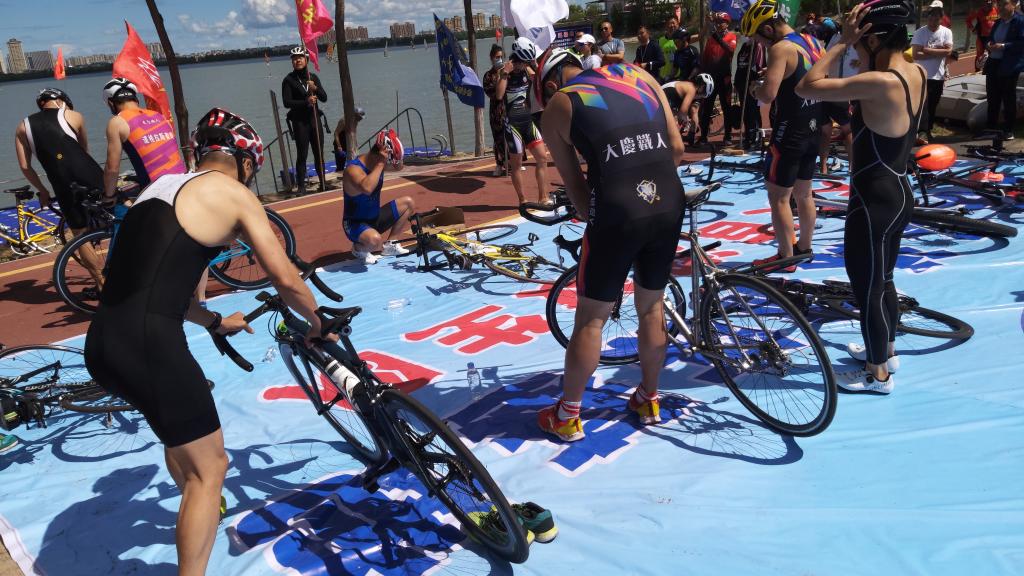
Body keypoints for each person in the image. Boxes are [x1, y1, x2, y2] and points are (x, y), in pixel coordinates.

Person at [85, 107, 333, 575]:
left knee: (179, 432)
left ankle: (196, 509)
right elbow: (284, 277)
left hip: (102, 343)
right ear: (246, 162)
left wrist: (214, 321)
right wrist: (318, 320)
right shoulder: (234, 193)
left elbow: (158, 287)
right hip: (149, 346)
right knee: (211, 469)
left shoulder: (158, 188)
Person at [534, 49, 686, 440]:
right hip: (669, 198)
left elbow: (576, 188)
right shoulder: (640, 74)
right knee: (652, 305)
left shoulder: (560, 103)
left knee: (591, 318)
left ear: (549, 84)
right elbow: (677, 149)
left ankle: (568, 416)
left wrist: (600, 218)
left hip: (618, 208)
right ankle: (649, 398)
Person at [796, 0, 925, 394]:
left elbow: (807, 86)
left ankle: (876, 373)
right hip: (898, 191)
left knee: (867, 287)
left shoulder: (880, 82)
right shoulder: (915, 72)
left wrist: (838, 43)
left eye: (859, 41)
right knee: (883, 279)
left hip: (872, 201)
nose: (854, 49)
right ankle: (886, 351)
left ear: (873, 39)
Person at [743, 0, 824, 268]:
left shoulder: (780, 48)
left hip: (789, 129)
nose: (761, 45)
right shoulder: (812, 41)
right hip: (813, 123)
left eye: (759, 40)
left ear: (768, 29)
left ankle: (786, 257)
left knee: (779, 197)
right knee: (804, 193)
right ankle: (805, 247)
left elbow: (768, 94)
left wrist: (755, 88)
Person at [14, 88, 105, 292]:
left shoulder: (22, 127)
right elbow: (84, 151)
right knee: (117, 214)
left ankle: (101, 284)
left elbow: (25, 166)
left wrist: (43, 190)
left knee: (80, 233)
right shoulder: (74, 116)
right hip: (90, 174)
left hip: (62, 182)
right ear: (62, 101)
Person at [102, 77, 186, 203]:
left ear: (110, 103)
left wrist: (108, 197)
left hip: (158, 192)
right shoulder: (159, 116)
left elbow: (112, 169)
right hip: (184, 182)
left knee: (117, 207)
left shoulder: (117, 122)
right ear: (135, 98)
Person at [342, 129, 413, 265]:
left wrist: (396, 151)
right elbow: (367, 188)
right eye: (386, 162)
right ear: (379, 157)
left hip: (374, 218)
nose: (387, 165)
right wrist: (381, 163)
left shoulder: (378, 162)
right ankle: (358, 249)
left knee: (408, 203)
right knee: (375, 240)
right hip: (354, 224)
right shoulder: (353, 169)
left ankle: (391, 245)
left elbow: (398, 167)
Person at [496, 38, 550, 205]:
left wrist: (535, 65)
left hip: (528, 121)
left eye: (525, 63)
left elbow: (540, 82)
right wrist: (505, 73)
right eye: (522, 62)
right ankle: (522, 200)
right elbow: (499, 95)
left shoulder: (527, 69)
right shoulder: (505, 70)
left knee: (542, 158)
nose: (522, 66)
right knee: (517, 164)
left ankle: (543, 197)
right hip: (512, 125)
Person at [282, 46, 328, 194]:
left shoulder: (312, 77)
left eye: (300, 58)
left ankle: (323, 183)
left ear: (306, 59)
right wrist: (306, 102)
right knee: (302, 155)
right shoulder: (288, 80)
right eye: (294, 59)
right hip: (300, 122)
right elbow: (286, 102)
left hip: (314, 120)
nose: (297, 61)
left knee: (319, 153)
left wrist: (316, 88)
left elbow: (324, 98)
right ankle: (301, 187)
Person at [819, 17, 858, 171]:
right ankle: (851, 166)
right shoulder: (840, 38)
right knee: (847, 129)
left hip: (840, 87)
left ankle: (826, 166)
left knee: (828, 130)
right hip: (840, 89)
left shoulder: (840, 38)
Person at [912, 6, 954, 144]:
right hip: (921, 75)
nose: (933, 21)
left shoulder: (946, 32)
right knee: (921, 104)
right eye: (931, 18)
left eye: (936, 19)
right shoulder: (920, 33)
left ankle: (928, 130)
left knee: (933, 104)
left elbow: (948, 52)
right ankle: (920, 131)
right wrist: (938, 52)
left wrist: (927, 50)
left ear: (941, 19)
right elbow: (916, 54)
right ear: (927, 18)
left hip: (938, 75)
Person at [984, 0, 1023, 141]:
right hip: (993, 63)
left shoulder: (1020, 21)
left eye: (1004, 4)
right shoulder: (998, 22)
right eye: (999, 5)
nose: (1000, 7)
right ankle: (991, 127)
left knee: (1008, 97)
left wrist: (1004, 46)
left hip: (1009, 65)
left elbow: (1021, 43)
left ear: (1013, 4)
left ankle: (1008, 130)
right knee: (992, 96)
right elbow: (990, 38)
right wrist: (988, 44)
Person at [698, 12, 737, 146]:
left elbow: (730, 50)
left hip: (724, 79)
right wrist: (702, 74)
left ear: (727, 23)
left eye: (721, 22)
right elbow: (705, 58)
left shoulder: (731, 36)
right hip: (711, 79)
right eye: (717, 22)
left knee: (726, 108)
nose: (719, 24)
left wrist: (716, 36)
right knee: (706, 108)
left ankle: (728, 136)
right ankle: (703, 137)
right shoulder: (711, 39)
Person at [734, 37, 767, 149]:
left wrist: (754, 81)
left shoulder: (758, 45)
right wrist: (736, 82)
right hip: (741, 84)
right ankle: (748, 137)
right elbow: (739, 65)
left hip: (752, 84)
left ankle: (756, 138)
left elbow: (759, 66)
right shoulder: (744, 46)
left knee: (753, 111)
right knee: (745, 112)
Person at [663, 73, 715, 144]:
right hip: (664, 96)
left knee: (691, 112)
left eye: (703, 95)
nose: (700, 96)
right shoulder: (692, 89)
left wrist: (687, 122)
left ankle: (689, 137)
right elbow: (682, 112)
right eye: (703, 93)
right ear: (702, 86)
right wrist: (685, 121)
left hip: (669, 96)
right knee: (672, 124)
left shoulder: (691, 86)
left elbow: (686, 112)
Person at [483, 46, 509, 177]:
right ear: (492, 58)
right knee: (498, 138)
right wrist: (499, 77)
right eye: (497, 57)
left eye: (501, 57)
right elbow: (493, 94)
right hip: (496, 111)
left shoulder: (508, 72)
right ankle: (499, 164)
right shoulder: (488, 76)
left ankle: (514, 162)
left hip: (509, 108)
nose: (499, 59)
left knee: (512, 137)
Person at [967, 0, 1000, 71]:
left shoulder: (997, 10)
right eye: (987, 4)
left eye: (991, 4)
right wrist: (973, 29)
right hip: (982, 37)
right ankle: (977, 70)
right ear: (984, 3)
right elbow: (968, 20)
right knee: (979, 55)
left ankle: (993, 69)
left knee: (994, 54)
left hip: (993, 37)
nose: (989, 5)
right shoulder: (978, 11)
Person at [660, 16, 681, 81]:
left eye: (673, 23)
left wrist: (706, 25)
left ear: (678, 25)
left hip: (678, 77)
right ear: (666, 26)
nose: (672, 25)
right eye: (669, 23)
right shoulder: (660, 41)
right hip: (664, 77)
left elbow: (699, 37)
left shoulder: (683, 39)